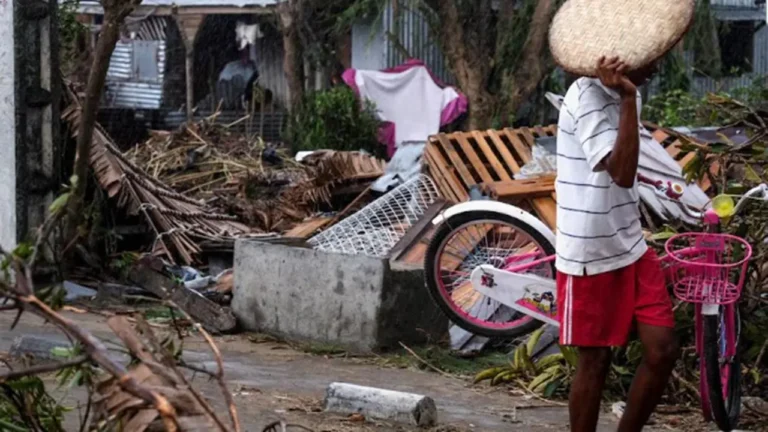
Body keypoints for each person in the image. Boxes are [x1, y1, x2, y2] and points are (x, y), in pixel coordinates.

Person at [554, 56, 680, 432]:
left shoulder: (629, 95)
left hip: (629, 243)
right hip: (589, 252)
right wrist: (627, 100)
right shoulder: (587, 96)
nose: (656, 67)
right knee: (594, 361)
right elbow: (622, 172)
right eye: (648, 60)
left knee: (662, 350)